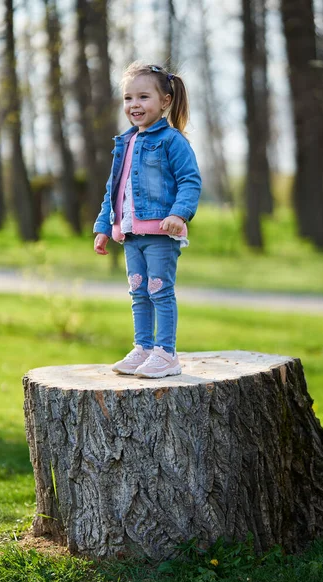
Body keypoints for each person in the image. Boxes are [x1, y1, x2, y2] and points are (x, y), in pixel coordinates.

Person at [93, 61, 201, 378]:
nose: (134, 105)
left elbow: (190, 181)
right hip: (130, 234)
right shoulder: (124, 143)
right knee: (138, 292)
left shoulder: (171, 141)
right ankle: (143, 348)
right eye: (128, 98)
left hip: (160, 234)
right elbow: (114, 189)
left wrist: (178, 214)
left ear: (165, 101)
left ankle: (166, 353)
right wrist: (103, 226)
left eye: (143, 97)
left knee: (160, 291)